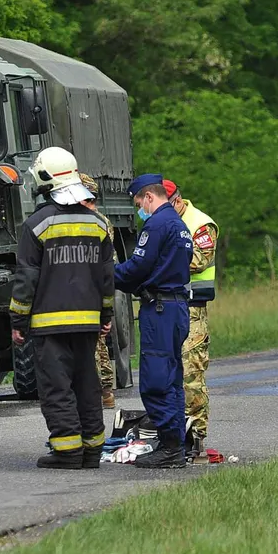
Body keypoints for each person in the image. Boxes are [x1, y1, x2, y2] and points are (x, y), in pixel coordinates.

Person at [9, 148, 114, 469]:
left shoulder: (36, 225)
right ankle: (93, 450)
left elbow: (27, 277)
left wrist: (17, 319)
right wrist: (106, 316)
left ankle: (68, 451)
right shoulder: (97, 225)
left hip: (48, 326)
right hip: (87, 324)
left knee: (57, 388)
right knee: (87, 385)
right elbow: (106, 278)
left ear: (44, 178)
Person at [115, 174, 193, 469]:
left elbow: (139, 266)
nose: (139, 208)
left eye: (138, 202)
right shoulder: (179, 224)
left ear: (149, 197)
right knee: (172, 381)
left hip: (160, 310)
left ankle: (170, 448)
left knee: (156, 380)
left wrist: (107, 274)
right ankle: (174, 444)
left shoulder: (157, 224)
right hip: (175, 307)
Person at [162, 179, 218, 455]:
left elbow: (199, 261)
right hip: (166, 306)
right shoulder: (162, 222)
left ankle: (196, 436)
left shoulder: (200, 224)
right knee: (165, 373)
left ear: (177, 200)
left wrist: (160, 259)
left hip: (193, 308)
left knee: (190, 374)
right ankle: (171, 435)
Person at [79, 172, 119, 409]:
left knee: (96, 343)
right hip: (92, 290)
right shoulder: (100, 221)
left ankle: (102, 390)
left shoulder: (97, 222)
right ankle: (104, 390)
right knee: (97, 342)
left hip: (91, 291)